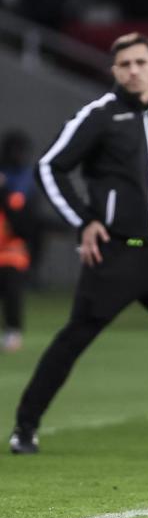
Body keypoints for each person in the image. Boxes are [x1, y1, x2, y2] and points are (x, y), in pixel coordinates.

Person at [8, 33, 148, 455]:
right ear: (114, 70)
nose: (133, 70)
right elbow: (50, 167)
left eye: (140, 62)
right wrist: (84, 220)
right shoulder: (99, 115)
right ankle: (24, 428)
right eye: (124, 64)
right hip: (115, 254)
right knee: (75, 338)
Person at [0, 131, 35, 352]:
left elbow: (18, 207)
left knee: (12, 293)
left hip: (11, 249)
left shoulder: (23, 178)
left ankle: (13, 332)